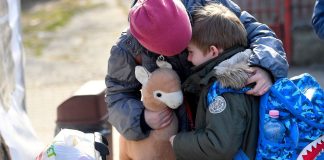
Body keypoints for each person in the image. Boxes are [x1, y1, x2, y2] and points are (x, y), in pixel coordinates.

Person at [105, 0, 288, 141]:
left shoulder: (207, 6)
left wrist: (265, 67)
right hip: (176, 139)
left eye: (187, 45)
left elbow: (259, 34)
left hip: (230, 124)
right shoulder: (127, 48)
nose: (186, 55)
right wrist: (142, 118)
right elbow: (116, 96)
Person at [169, 3, 259, 159]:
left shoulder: (225, 88)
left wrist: (177, 141)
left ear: (213, 51)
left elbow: (219, 145)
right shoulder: (239, 74)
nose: (188, 58)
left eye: (191, 52)